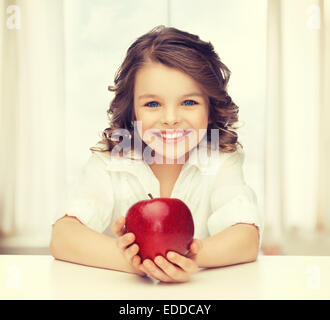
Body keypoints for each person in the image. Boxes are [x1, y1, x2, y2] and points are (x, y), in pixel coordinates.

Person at [50, 25, 263, 283]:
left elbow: (246, 239)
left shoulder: (219, 158)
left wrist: (186, 257)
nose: (171, 119)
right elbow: (63, 236)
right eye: (153, 104)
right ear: (133, 111)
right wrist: (135, 260)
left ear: (210, 109)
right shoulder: (112, 160)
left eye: (189, 102)